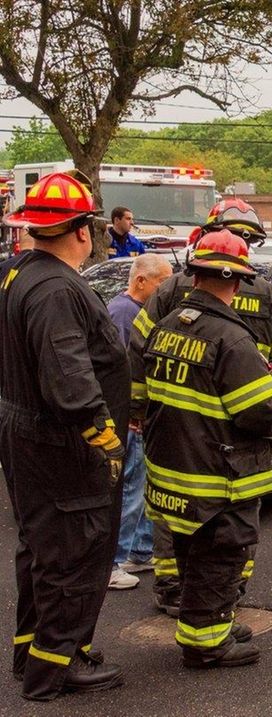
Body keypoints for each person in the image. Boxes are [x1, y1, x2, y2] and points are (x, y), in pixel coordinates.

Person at [130, 196, 272, 616]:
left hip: (173, 426)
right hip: (243, 430)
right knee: (234, 520)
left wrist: (139, 412)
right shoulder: (265, 294)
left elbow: (138, 349)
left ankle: (174, 587)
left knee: (173, 506)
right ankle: (224, 597)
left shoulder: (172, 289)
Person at [0, 171, 128, 700]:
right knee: (76, 552)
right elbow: (68, 374)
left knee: (41, 546)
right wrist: (104, 437)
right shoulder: (56, 287)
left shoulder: (17, 272)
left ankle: (33, 652)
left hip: (27, 433)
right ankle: (54, 668)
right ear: (82, 231)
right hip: (63, 442)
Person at [106, 254, 174, 591]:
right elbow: (120, 371)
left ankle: (141, 550)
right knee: (131, 491)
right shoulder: (123, 314)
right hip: (129, 421)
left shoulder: (139, 312)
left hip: (139, 419)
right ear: (142, 281)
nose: (168, 288)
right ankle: (113, 563)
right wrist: (131, 415)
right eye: (163, 281)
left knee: (143, 488)